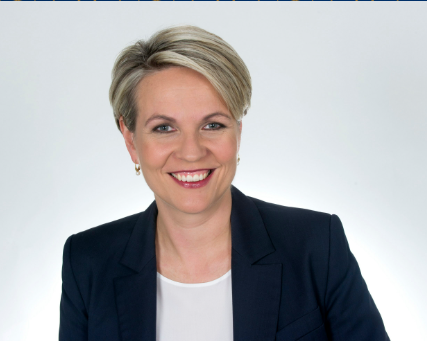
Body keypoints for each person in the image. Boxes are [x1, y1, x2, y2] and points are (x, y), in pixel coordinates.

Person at [59, 25, 389, 341]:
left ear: (238, 132)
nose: (191, 152)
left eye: (213, 125)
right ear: (131, 140)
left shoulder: (316, 245)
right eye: (164, 128)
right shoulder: (87, 261)